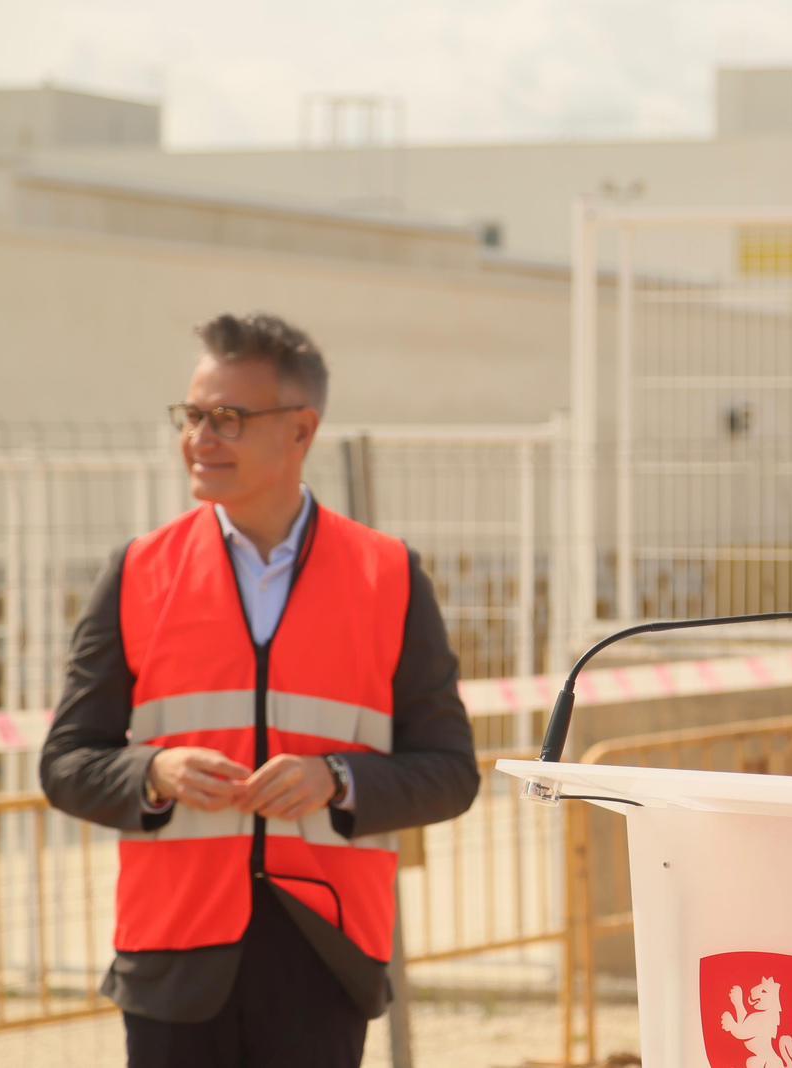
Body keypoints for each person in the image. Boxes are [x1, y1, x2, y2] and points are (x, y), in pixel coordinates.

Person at [40, 312, 480, 1068]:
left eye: (228, 419)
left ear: (301, 431)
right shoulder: (139, 571)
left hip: (324, 952)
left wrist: (335, 779)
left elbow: (450, 772)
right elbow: (66, 762)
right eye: (192, 416)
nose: (199, 439)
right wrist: (154, 771)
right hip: (172, 956)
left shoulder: (388, 576)